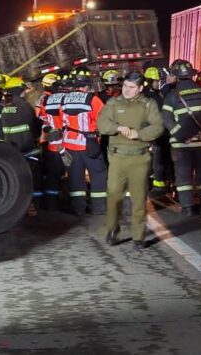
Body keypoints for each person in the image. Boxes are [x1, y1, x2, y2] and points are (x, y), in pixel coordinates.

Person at [98, 72, 164, 249]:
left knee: (139, 198)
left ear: (141, 88)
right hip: (117, 157)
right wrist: (117, 127)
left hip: (139, 158)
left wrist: (139, 134)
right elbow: (101, 125)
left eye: (131, 87)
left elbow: (158, 127)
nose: (127, 90)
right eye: (125, 86)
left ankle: (138, 236)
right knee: (113, 195)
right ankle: (112, 229)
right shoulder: (113, 103)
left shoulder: (148, 104)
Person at [161, 60, 201, 217]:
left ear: (176, 76)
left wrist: (181, 135)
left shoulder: (171, 96)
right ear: (191, 75)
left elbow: (166, 119)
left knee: (183, 176)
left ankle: (187, 207)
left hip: (181, 146)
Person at [61, 66, 107, 215]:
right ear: (87, 84)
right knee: (98, 175)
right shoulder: (93, 99)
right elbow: (103, 121)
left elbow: (62, 121)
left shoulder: (64, 99)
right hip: (89, 144)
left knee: (75, 178)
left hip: (70, 145)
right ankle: (99, 208)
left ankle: (78, 209)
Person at [2, 76, 43, 213]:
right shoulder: (24, 106)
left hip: (11, 148)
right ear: (20, 91)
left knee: (17, 178)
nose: (25, 93)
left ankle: (21, 207)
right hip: (27, 147)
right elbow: (34, 126)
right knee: (33, 177)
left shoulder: (5, 108)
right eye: (23, 91)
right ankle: (36, 205)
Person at [39, 70, 72, 211]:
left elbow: (44, 122)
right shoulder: (68, 99)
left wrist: (50, 131)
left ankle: (51, 205)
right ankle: (70, 204)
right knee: (72, 175)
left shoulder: (46, 100)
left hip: (53, 145)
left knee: (52, 176)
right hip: (68, 145)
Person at [144, 66, 173, 197]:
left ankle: (163, 183)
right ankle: (158, 186)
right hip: (152, 134)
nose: (158, 83)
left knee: (163, 159)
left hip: (163, 133)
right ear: (150, 81)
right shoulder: (146, 96)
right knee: (156, 161)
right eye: (156, 81)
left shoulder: (158, 94)